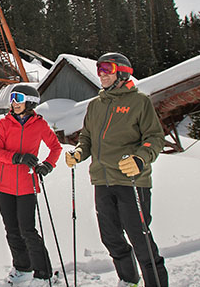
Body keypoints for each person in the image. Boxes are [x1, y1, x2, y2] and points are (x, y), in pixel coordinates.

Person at [65, 53, 169, 287]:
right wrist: (79, 153)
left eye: (107, 68)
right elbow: (86, 137)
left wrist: (141, 159)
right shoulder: (95, 105)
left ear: (122, 72)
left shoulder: (139, 101)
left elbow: (154, 137)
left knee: (140, 239)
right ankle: (128, 280)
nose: (101, 73)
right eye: (99, 68)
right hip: (102, 180)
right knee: (111, 237)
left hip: (131, 181)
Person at [0, 84, 63, 286]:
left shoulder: (39, 125)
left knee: (27, 230)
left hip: (26, 185)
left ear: (30, 102)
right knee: (12, 230)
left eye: (19, 99)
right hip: (4, 185)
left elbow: (55, 147)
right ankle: (22, 268)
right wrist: (17, 157)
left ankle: (44, 273)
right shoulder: (5, 124)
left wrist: (48, 165)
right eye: (13, 98)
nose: (14, 103)